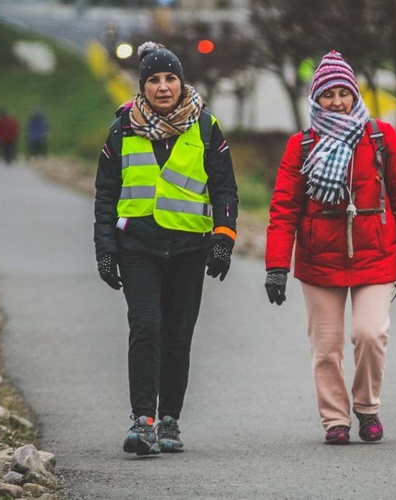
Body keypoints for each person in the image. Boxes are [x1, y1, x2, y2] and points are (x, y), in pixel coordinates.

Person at [264, 50, 396, 445]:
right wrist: (276, 266)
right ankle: (335, 419)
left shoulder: (380, 137)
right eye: (327, 94)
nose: (336, 101)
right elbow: (283, 209)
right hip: (319, 259)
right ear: (315, 99)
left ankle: (367, 407)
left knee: (370, 334)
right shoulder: (301, 145)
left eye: (343, 93)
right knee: (326, 346)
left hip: (376, 254)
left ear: (354, 95)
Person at [93, 41, 238, 456]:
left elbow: (225, 189)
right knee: (145, 328)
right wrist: (105, 248)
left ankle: (170, 418)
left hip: (191, 248)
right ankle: (144, 421)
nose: (162, 87)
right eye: (153, 80)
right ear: (142, 86)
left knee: (177, 334)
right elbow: (106, 193)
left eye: (170, 78)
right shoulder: (122, 128)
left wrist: (224, 239)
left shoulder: (207, 128)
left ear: (181, 82)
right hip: (138, 246)